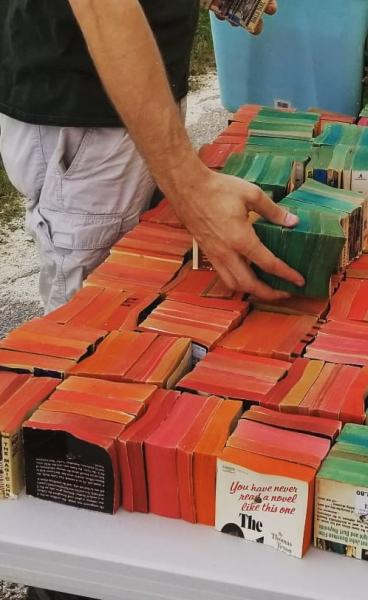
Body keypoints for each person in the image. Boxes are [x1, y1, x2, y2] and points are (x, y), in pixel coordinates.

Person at [0, 1, 304, 599]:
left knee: (137, 355)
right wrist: (188, 187)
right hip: (87, 114)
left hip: (116, 104)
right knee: (90, 383)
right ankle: (69, 581)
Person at [0, 0, 305, 315]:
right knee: (94, 323)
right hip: (88, 114)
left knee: (140, 302)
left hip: (135, 95)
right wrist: (189, 185)